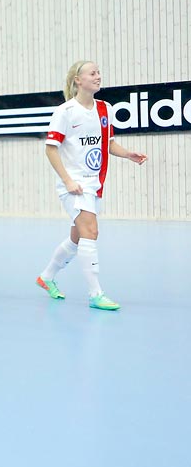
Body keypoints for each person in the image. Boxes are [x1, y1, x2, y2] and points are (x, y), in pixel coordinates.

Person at [37, 61, 147, 310]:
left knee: (77, 238)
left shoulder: (105, 108)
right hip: (74, 184)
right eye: (93, 73)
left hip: (95, 183)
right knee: (91, 232)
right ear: (78, 80)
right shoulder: (65, 111)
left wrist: (128, 154)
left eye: (99, 72)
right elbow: (51, 149)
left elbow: (108, 143)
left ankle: (46, 277)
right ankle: (96, 294)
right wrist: (67, 181)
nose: (98, 76)